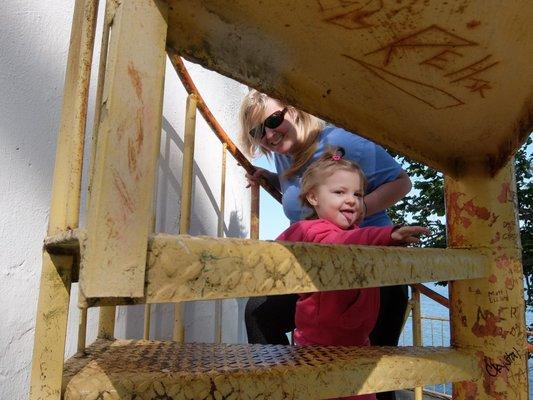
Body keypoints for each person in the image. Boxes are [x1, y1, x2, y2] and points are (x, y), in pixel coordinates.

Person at [239, 90, 412, 400]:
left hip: (372, 271)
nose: (268, 134)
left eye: (274, 120)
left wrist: (358, 210)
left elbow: (402, 182)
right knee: (260, 313)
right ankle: (288, 390)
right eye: (257, 131)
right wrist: (269, 177)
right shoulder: (283, 152)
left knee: (374, 374)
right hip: (318, 276)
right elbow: (308, 186)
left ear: (294, 110)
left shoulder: (347, 141)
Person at [277, 149, 429, 400]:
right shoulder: (310, 230)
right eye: (339, 192)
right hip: (319, 349)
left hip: (358, 344)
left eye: (358, 194)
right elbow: (338, 242)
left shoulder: (356, 233)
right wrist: (386, 235)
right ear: (313, 197)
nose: (351, 200)